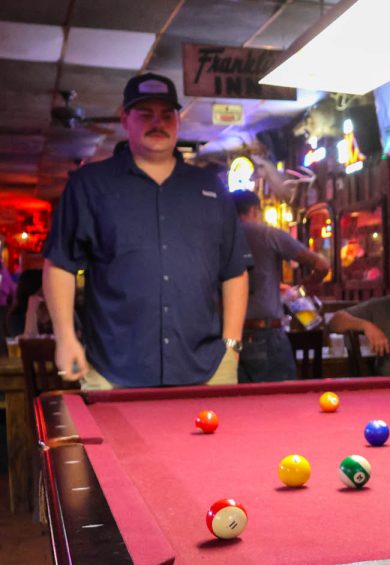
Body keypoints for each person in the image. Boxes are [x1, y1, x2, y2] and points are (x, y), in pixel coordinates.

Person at [41, 72, 250, 389]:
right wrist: (65, 337)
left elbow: (234, 271)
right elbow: (60, 264)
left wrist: (231, 346)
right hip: (111, 370)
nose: (158, 123)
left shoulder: (210, 188)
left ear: (178, 121)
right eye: (145, 114)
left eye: (167, 115)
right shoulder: (90, 185)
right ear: (125, 118)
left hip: (207, 369)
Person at [231, 190, 330, 383]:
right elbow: (322, 266)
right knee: (280, 401)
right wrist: (304, 288)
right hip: (265, 335)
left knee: (236, 404)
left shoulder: (219, 238)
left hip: (225, 338)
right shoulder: (269, 235)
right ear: (254, 210)